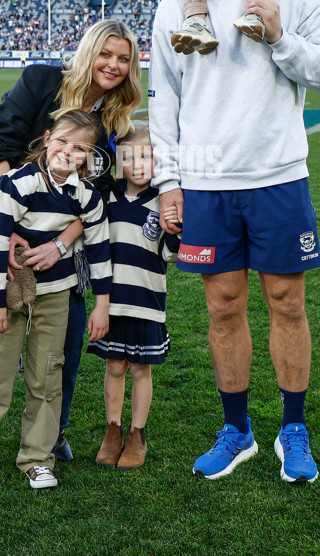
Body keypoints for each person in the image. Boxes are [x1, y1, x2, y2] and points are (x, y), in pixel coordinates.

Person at [148, 0, 320, 484]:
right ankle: (237, 431)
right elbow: (165, 102)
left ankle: (293, 428)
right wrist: (168, 180)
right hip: (206, 183)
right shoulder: (173, 7)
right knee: (222, 305)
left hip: (277, 177)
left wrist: (281, 37)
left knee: (288, 303)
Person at [0, 19, 142, 468]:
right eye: (106, 53)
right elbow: (2, 142)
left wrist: (61, 245)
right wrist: (3, 226)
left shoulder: (114, 123)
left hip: (56, 244)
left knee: (65, 340)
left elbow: (97, 200)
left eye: (123, 58)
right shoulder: (42, 80)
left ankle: (54, 432)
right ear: (89, 52)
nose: (113, 64)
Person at [0, 110, 111, 492]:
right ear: (46, 137)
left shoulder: (88, 196)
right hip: (10, 293)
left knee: (47, 376)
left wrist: (102, 303)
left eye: (79, 148)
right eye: (61, 141)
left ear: (88, 157)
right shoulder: (14, 184)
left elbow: (101, 250)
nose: (67, 152)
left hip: (57, 294)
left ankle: (37, 457)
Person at [86, 125, 180, 470]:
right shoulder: (107, 198)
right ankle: (113, 430)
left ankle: (137, 434)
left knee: (141, 368)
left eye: (146, 156)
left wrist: (176, 231)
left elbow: (170, 255)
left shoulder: (163, 202)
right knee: (115, 366)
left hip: (147, 301)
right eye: (129, 157)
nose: (138, 164)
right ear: (118, 162)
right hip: (111, 302)